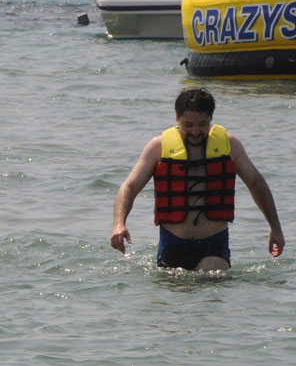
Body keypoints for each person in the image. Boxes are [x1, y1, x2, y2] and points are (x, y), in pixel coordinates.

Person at [111, 88, 284, 270]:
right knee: (174, 294)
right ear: (177, 117)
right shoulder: (158, 147)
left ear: (211, 119)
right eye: (188, 125)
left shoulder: (230, 146)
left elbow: (256, 183)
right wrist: (119, 223)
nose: (195, 131)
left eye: (202, 124)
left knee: (212, 278)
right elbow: (129, 187)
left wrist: (276, 228)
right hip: (173, 243)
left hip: (213, 243)